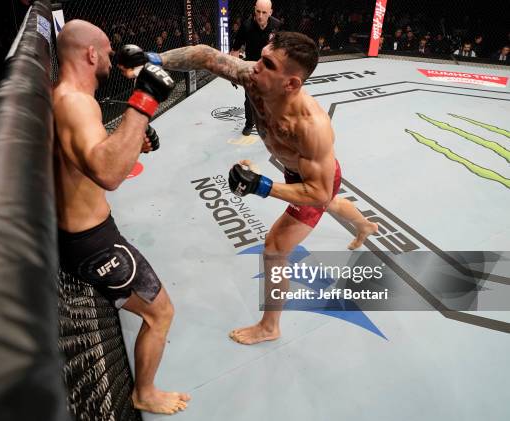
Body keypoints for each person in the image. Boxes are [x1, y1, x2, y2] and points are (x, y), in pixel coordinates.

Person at [148, 31, 378, 345]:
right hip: (299, 170)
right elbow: (205, 56)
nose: (256, 66)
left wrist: (263, 186)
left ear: (292, 83)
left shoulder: (311, 128)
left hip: (315, 182)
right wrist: (154, 58)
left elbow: (318, 194)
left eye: (268, 63)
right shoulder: (254, 79)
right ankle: (364, 225)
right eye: (262, 56)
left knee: (275, 248)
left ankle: (270, 326)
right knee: (333, 205)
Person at [53, 20, 190, 414]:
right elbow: (109, 172)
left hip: (87, 233)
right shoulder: (76, 103)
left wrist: (133, 141)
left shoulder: (66, 98)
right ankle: (143, 392)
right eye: (109, 50)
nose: (113, 57)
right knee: (161, 313)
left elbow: (87, 162)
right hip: (93, 243)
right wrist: (145, 100)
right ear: (91, 54)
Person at [230, 0, 281, 136]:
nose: (260, 16)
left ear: (270, 12)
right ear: (254, 10)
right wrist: (233, 72)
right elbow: (235, 50)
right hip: (251, 66)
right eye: (258, 11)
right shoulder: (246, 26)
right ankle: (249, 123)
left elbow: (282, 48)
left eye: (264, 12)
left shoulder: (277, 25)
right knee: (250, 97)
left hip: (269, 67)